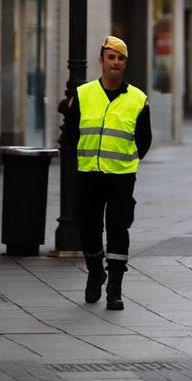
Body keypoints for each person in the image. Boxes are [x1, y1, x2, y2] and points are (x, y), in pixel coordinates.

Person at [61, 36, 151, 311]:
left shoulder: (138, 99)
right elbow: (71, 133)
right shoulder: (83, 94)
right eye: (111, 57)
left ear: (125, 64)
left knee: (118, 229)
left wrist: (126, 159)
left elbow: (144, 140)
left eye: (120, 58)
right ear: (101, 60)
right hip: (89, 173)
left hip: (121, 176)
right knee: (88, 227)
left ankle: (114, 289)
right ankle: (95, 272)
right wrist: (83, 156)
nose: (115, 62)